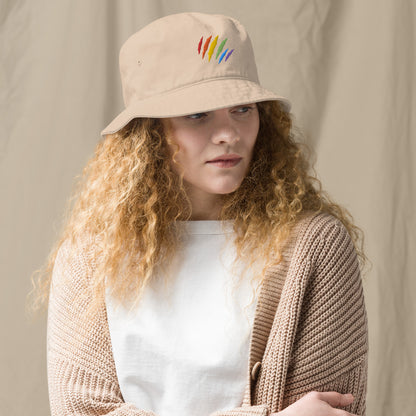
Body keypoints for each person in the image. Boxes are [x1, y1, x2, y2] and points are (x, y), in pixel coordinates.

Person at [29, 12, 369, 416]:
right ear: (149, 133)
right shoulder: (89, 257)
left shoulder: (315, 248)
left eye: (242, 109)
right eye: (197, 114)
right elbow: (81, 410)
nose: (229, 133)